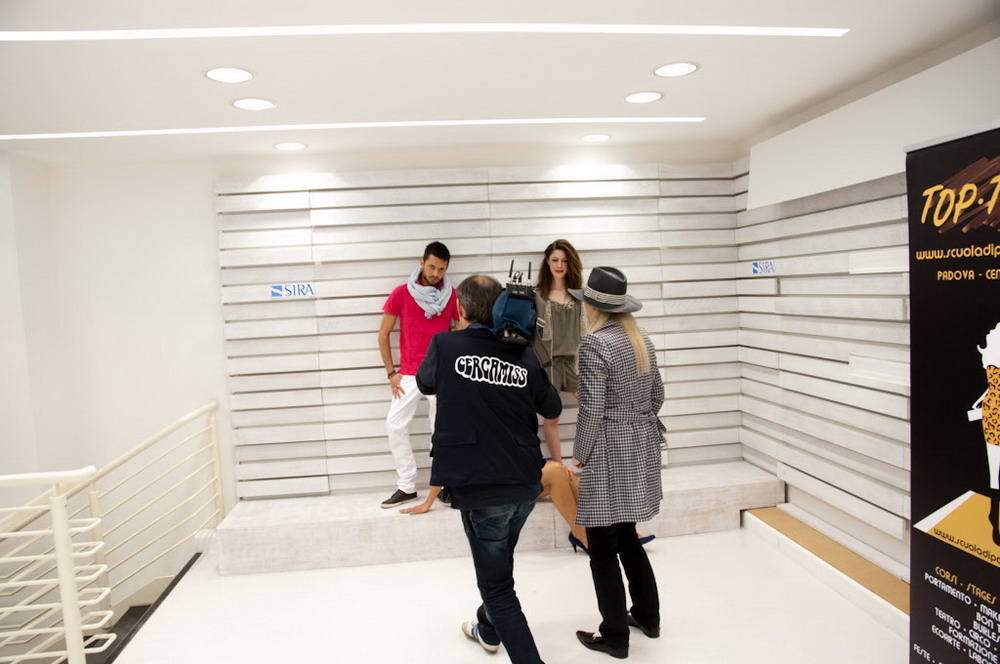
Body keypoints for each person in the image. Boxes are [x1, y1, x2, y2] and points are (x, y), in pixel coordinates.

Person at [416, 274, 561, 664]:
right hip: (523, 484)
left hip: (480, 487)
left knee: (498, 587)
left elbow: (425, 383)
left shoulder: (445, 345)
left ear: (460, 307)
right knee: (498, 564)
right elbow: (551, 407)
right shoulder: (522, 353)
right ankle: (489, 628)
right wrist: (529, 354)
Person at [570, 266, 664, 660]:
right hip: (641, 446)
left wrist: (579, 453)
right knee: (627, 534)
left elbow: (591, 409)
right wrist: (634, 423)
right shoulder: (641, 340)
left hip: (608, 452)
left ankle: (614, 636)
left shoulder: (595, 344)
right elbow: (658, 397)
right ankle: (647, 616)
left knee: (602, 545)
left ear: (592, 305)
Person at [377, 241, 459, 509]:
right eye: (432, 266)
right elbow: (383, 334)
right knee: (394, 425)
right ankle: (407, 486)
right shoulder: (401, 293)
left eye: (441, 269)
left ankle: (444, 486)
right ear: (422, 262)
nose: (435, 273)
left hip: (442, 375)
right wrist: (391, 373)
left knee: (441, 432)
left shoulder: (451, 296)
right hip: (409, 375)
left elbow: (459, 332)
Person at [533, 240, 585, 468]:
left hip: (575, 362)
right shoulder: (538, 295)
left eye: (564, 261)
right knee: (551, 417)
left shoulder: (580, 295)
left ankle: (586, 460)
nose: (559, 265)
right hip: (548, 364)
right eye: (555, 260)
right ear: (547, 262)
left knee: (592, 408)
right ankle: (558, 467)